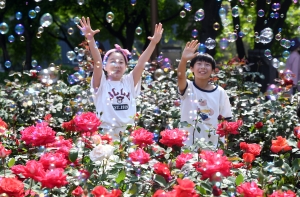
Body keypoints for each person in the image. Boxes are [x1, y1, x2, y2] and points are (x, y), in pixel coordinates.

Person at [77, 17, 163, 140]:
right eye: (112, 61)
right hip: (106, 136)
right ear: (104, 66)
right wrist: (90, 39)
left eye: (121, 62)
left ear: (126, 66)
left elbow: (141, 63)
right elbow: (97, 61)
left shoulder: (129, 82)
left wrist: (153, 43)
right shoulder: (101, 83)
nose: (117, 65)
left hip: (128, 136)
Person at [177, 40, 232, 147]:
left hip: (212, 146)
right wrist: (184, 59)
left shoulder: (220, 92)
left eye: (207, 65)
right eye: (199, 64)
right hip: (189, 146)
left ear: (212, 70)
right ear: (191, 68)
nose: (203, 67)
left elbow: (225, 121)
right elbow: (180, 76)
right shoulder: (188, 87)